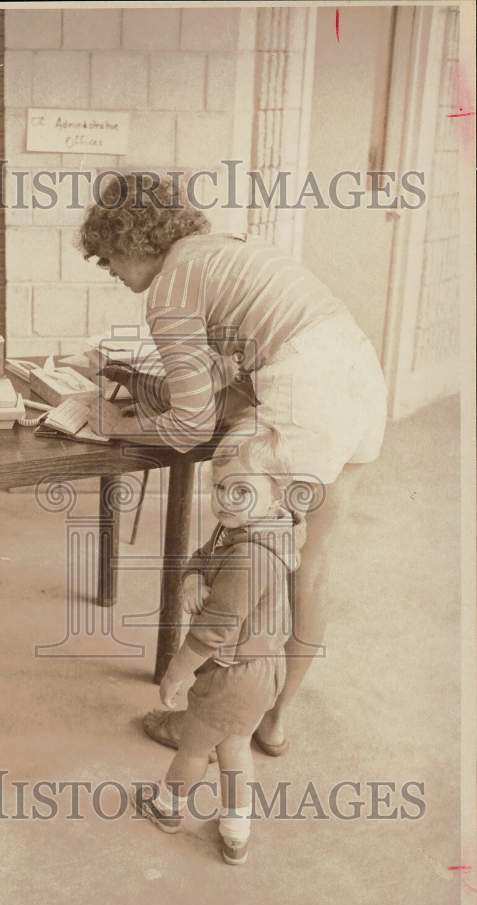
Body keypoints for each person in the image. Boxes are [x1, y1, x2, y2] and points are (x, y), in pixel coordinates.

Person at [77, 172, 387, 758]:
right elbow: (236, 368)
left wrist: (115, 426)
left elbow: (191, 425)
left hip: (303, 394)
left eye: (109, 257)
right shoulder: (227, 249)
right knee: (309, 569)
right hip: (359, 380)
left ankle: (214, 725)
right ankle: (274, 721)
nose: (111, 271)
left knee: (249, 573)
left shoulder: (169, 288)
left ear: (136, 240)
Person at [132, 430, 304, 864]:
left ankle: (168, 809)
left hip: (232, 674)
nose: (226, 499)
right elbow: (204, 556)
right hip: (262, 669)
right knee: (234, 748)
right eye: (220, 487)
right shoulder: (254, 525)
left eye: (242, 489)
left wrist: (176, 670)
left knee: (194, 747)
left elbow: (215, 629)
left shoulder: (251, 555)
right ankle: (235, 831)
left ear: (277, 496)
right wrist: (193, 576)